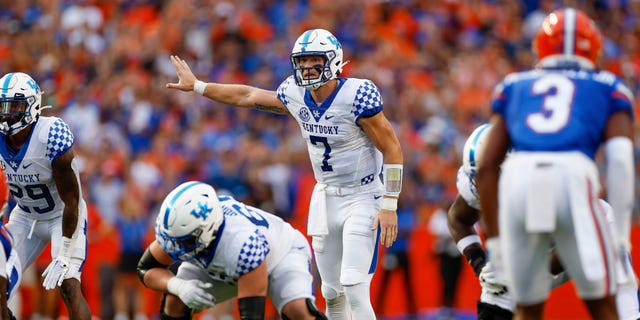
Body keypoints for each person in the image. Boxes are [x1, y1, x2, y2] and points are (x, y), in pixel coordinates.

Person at [166, 28, 404, 319]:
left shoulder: (357, 96)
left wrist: (390, 203)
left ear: (334, 60)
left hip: (363, 195)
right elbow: (248, 95)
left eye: (314, 60)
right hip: (325, 195)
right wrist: (199, 86)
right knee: (330, 292)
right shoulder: (296, 94)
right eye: (302, 61)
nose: (306, 67)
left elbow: (392, 148)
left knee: (354, 285)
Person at [476, 8, 635, 319]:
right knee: (604, 303)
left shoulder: (514, 85)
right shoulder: (608, 85)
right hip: (572, 176)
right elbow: (620, 162)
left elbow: (486, 167)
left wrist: (495, 247)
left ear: (540, 47)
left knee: (527, 307)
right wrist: (620, 238)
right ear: (593, 46)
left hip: (520, 179)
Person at [451, 123, 640, 319]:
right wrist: (478, 261)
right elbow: (458, 219)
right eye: (479, 175)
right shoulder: (476, 183)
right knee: (496, 287)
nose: (484, 183)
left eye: (493, 174)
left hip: (592, 235)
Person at [136, 181, 327, 320]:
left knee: (297, 310)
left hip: (281, 254)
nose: (177, 248)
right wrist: (178, 286)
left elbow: (252, 315)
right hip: (224, 260)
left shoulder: (241, 243)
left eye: (185, 241)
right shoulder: (182, 230)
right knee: (175, 299)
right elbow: (145, 269)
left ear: (207, 228)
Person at [0, 72, 92, 319]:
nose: (7, 113)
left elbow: (72, 199)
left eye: (14, 106)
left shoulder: (50, 135)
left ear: (32, 105)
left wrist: (63, 252)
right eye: (3, 106)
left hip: (62, 216)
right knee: (0, 284)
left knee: (68, 285)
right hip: (24, 215)